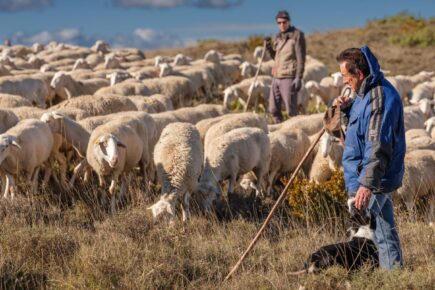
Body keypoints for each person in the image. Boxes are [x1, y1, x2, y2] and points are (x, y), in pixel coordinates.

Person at [334, 46, 405, 270]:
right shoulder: (364, 95)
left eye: (346, 77)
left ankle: (379, 276)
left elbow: (378, 145)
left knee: (367, 235)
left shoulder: (380, 98)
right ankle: (394, 275)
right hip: (367, 176)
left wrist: (366, 185)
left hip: (373, 179)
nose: (345, 82)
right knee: (383, 231)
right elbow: (360, 131)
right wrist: (346, 110)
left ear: (360, 74)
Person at [265, 10, 306, 123]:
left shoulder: (297, 35)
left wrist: (299, 77)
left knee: (291, 110)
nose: (282, 25)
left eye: (284, 22)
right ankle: (281, 129)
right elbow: (276, 57)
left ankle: (295, 134)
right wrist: (268, 47)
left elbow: (301, 58)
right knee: (273, 109)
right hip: (276, 76)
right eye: (279, 23)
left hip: (289, 76)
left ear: (289, 21)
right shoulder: (278, 37)